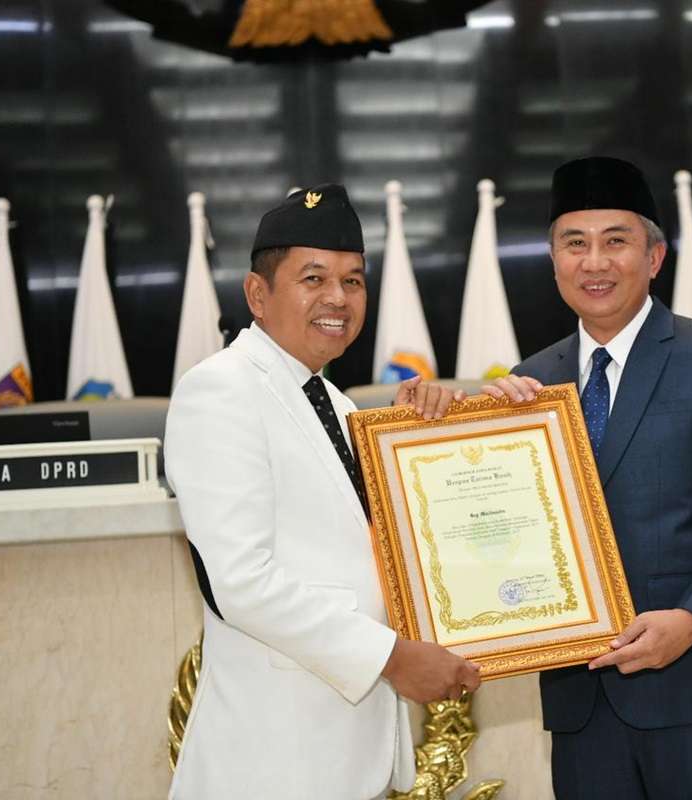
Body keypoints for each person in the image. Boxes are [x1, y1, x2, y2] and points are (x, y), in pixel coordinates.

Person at [487, 157, 692, 799]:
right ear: (553, 261)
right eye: (575, 243)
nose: (594, 262)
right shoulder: (529, 383)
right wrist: (481, 440)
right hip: (582, 706)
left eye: (615, 241)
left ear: (654, 257)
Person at [164, 185, 481, 800]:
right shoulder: (220, 389)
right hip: (274, 758)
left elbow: (372, 549)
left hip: (344, 752)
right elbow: (242, 582)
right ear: (258, 294)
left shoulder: (335, 403)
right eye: (313, 278)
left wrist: (422, 441)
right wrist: (393, 658)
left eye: (353, 281)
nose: (338, 297)